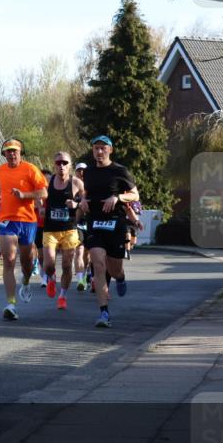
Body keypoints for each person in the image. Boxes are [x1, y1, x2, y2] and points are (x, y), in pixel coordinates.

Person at [79, 135, 139, 328]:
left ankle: (120, 277)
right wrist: (82, 202)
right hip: (95, 222)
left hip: (115, 223)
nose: (99, 151)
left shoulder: (120, 171)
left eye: (103, 148)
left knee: (114, 268)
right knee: (97, 263)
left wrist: (117, 198)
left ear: (110, 150)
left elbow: (135, 194)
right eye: (96, 148)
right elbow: (86, 194)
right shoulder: (88, 173)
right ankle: (104, 313)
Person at [0, 139, 47, 321]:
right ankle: (11, 304)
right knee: (9, 259)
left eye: (15, 151)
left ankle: (27, 281)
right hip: (7, 220)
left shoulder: (31, 169)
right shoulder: (0, 171)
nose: (11, 154)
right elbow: (2, 192)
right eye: (8, 151)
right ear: (4, 154)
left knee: (26, 263)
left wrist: (24, 195)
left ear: (21, 152)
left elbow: (44, 193)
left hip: (28, 221)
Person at [41, 152, 84, 310]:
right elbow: (38, 196)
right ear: (54, 164)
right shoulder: (48, 181)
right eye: (58, 162)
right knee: (49, 264)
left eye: (65, 163)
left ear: (70, 165)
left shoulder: (77, 183)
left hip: (69, 229)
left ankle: (62, 296)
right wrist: (40, 207)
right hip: (50, 229)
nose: (61, 166)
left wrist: (77, 204)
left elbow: (87, 202)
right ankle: (51, 279)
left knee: (67, 265)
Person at [73, 162, 90, 291]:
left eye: (84, 170)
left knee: (88, 256)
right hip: (77, 224)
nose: (82, 173)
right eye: (79, 170)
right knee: (79, 252)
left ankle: (87, 274)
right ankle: (80, 280)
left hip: (91, 224)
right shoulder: (71, 187)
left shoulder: (93, 186)